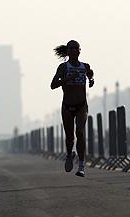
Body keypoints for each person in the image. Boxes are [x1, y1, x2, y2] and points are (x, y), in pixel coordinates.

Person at [50, 40, 94, 177]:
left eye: (77, 48)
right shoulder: (63, 67)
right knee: (70, 138)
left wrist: (91, 80)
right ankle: (69, 154)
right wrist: (67, 79)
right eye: (72, 48)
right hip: (67, 106)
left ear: (80, 51)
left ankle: (81, 166)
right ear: (67, 51)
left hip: (82, 105)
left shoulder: (85, 66)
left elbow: (90, 74)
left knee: (80, 132)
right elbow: (53, 85)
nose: (75, 50)